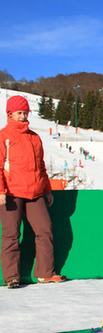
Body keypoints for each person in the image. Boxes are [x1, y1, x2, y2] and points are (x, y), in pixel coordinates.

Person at [0, 95, 66, 288]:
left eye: (25, 113)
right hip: (11, 193)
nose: (23, 116)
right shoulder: (4, 137)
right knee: (11, 234)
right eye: (19, 113)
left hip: (35, 193)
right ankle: (12, 277)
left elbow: (41, 166)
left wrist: (47, 190)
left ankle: (45, 273)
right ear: (10, 114)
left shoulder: (34, 137)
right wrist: (1, 191)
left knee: (45, 230)